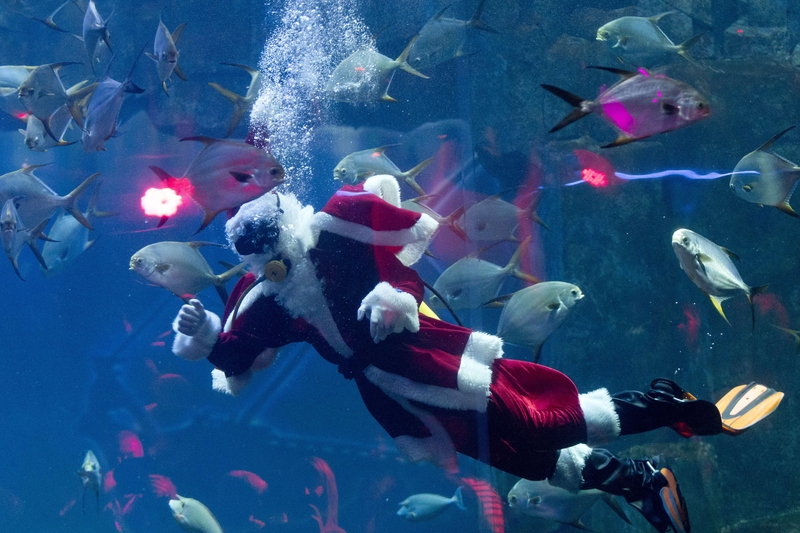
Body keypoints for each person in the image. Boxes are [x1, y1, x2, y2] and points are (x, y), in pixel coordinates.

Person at [170, 175, 782, 533]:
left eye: (275, 253)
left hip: (431, 361)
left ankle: (668, 406)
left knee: (537, 420)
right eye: (262, 262)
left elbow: (401, 272)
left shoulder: (337, 239)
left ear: (288, 231)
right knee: (518, 456)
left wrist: (393, 298)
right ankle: (636, 481)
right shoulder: (272, 298)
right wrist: (203, 336)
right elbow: (237, 355)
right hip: (394, 397)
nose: (273, 267)